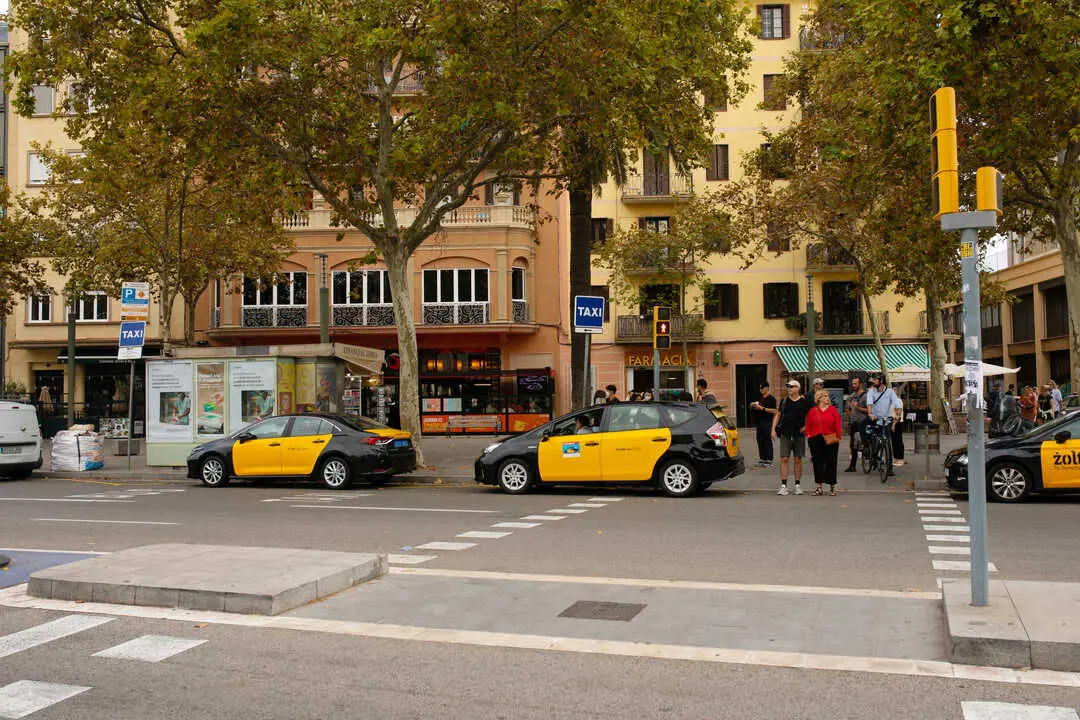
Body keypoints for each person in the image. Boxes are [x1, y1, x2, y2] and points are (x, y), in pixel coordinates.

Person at [771, 379, 811, 496]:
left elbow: (811, 415)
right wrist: (773, 429)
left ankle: (797, 485)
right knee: (784, 458)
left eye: (792, 387)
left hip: (798, 434)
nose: (789, 389)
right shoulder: (784, 401)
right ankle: (784, 485)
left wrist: (806, 426)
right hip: (785, 433)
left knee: (798, 459)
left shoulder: (804, 402)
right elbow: (778, 415)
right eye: (788, 387)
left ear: (798, 388)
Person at [806, 389, 842, 496]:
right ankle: (819, 487)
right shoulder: (813, 411)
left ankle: (832, 486)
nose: (827, 398)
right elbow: (808, 425)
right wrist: (809, 436)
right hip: (816, 438)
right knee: (818, 462)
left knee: (831, 462)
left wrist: (838, 436)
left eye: (827, 396)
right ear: (819, 398)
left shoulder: (832, 410)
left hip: (830, 438)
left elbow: (838, 423)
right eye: (825, 396)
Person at [866, 372, 901, 478]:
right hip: (875, 419)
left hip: (885, 420)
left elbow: (897, 405)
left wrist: (897, 415)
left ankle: (889, 468)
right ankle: (872, 455)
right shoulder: (871, 392)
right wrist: (870, 414)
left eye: (875, 380)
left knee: (887, 442)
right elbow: (869, 404)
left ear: (881, 381)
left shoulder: (890, 392)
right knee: (873, 438)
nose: (873, 381)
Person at [750, 382, 778, 467]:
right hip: (759, 423)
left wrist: (762, 408)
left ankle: (769, 460)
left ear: (767, 388)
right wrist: (752, 405)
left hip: (767, 422)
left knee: (767, 441)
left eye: (762, 388)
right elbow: (756, 405)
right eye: (760, 388)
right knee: (760, 440)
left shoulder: (771, 398)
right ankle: (762, 459)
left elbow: (775, 411)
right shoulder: (760, 398)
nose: (761, 390)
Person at [844, 376, 869, 472]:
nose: (853, 386)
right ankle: (852, 466)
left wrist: (858, 408)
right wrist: (850, 415)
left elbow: (869, 411)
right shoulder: (851, 397)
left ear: (861, 384)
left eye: (855, 384)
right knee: (853, 444)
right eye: (852, 384)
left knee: (863, 442)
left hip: (863, 422)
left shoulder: (866, 397)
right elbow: (847, 409)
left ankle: (869, 459)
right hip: (854, 423)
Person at [890, 385, 905, 466]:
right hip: (893, 421)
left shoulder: (898, 401)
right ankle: (895, 458)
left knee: (898, 441)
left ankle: (900, 459)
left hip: (897, 422)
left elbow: (898, 413)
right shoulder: (893, 401)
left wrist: (894, 424)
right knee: (894, 441)